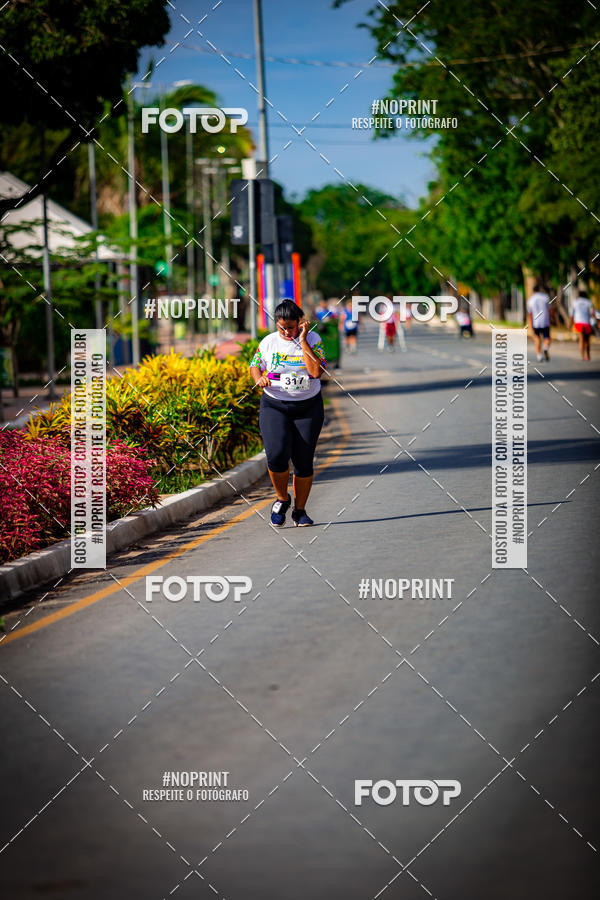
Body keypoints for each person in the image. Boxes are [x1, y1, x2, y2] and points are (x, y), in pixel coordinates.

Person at [250, 299, 326, 527]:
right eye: (281, 327)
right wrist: (259, 378)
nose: (285, 332)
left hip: (308, 406)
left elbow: (315, 372)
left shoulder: (313, 340)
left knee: (303, 461)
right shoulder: (268, 342)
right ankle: (282, 498)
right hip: (275, 405)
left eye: (290, 327)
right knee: (276, 454)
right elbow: (254, 364)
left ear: (300, 323)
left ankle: (300, 511)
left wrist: (302, 340)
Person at [527, 283, 551, 361]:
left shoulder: (531, 300)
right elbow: (550, 310)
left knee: (537, 338)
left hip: (536, 322)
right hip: (545, 321)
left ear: (533, 291)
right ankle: (546, 347)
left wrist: (530, 324)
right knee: (546, 338)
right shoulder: (545, 297)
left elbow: (530, 314)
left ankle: (539, 356)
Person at [570, 288, 594, 361]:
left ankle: (582, 356)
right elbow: (592, 313)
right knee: (587, 340)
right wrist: (597, 322)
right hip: (587, 323)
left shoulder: (575, 302)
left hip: (578, 323)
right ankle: (588, 356)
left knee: (581, 340)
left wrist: (570, 323)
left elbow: (572, 314)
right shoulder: (589, 302)